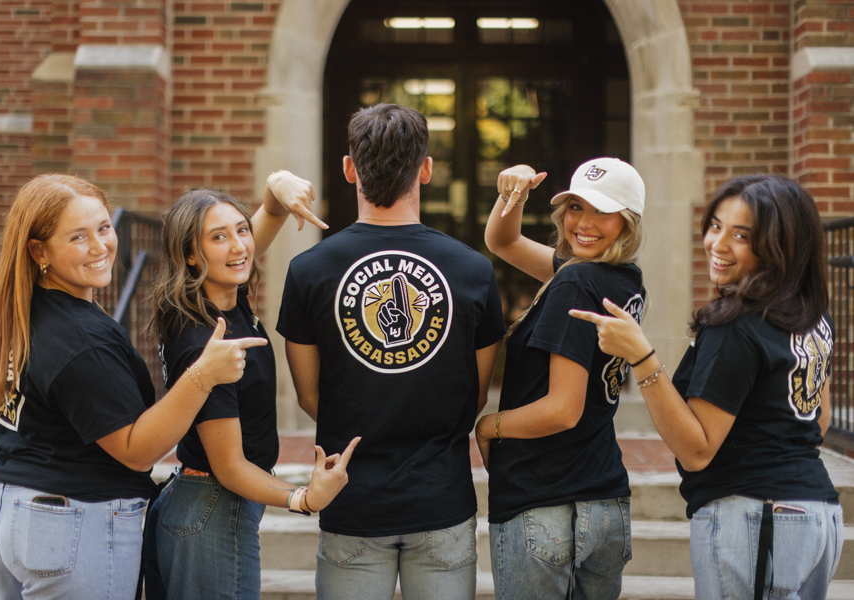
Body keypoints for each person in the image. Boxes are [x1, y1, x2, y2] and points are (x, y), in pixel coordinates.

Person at [0, 174, 263, 600]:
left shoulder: (26, 312)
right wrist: (203, 375)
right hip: (72, 522)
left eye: (104, 228)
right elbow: (136, 449)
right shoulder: (81, 340)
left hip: (6, 511)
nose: (100, 247)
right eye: (78, 237)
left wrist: (271, 210)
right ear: (39, 251)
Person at [571, 174, 844, 600]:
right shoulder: (812, 316)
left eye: (742, 235)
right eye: (716, 226)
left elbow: (696, 451)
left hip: (754, 516)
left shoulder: (736, 323)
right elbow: (819, 421)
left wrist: (641, 357)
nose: (718, 244)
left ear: (780, 246)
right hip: (818, 516)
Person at [276, 104, 505, 600]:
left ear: (349, 168)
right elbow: (476, 394)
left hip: (351, 500)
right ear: (426, 169)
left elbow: (310, 396)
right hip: (441, 499)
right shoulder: (473, 271)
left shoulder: (308, 270)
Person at [143, 173, 359, 600]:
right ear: (190, 255)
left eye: (241, 229)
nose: (239, 246)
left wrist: (279, 183)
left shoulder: (221, 297)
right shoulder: (207, 339)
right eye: (218, 237)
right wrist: (304, 498)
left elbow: (272, 211)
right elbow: (230, 465)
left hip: (208, 506)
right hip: (212, 508)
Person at [476, 157, 646, 600]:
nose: (584, 223)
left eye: (603, 212)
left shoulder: (575, 282)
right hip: (604, 499)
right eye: (575, 207)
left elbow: (562, 409)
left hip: (544, 498)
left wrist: (489, 426)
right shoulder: (622, 279)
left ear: (628, 223)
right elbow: (503, 241)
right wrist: (513, 195)